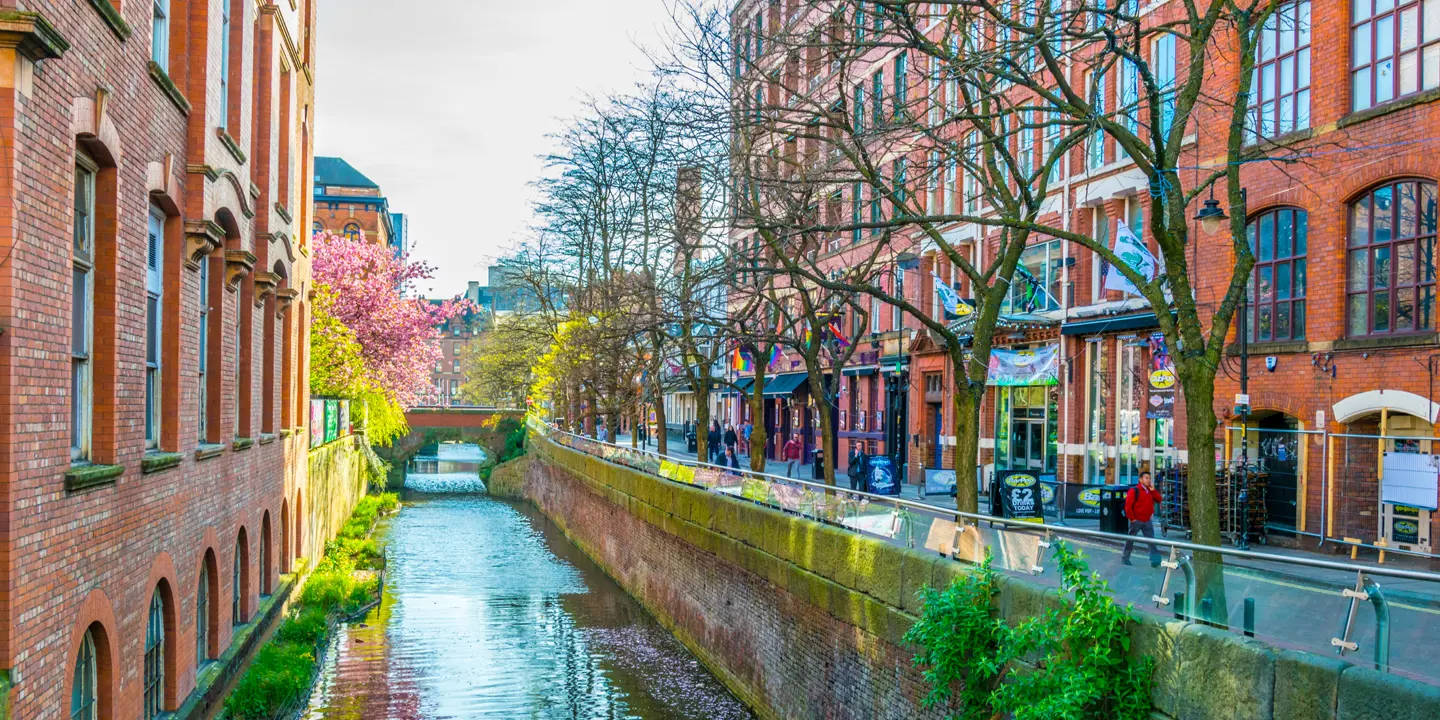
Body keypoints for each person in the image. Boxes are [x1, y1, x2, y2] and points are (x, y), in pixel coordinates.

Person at [1122, 471, 1163, 567]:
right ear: (1140, 480)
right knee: (1130, 539)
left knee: (1151, 540)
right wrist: (1132, 518)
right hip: (1136, 520)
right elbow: (1128, 506)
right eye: (1146, 478)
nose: (1148, 480)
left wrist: (1153, 490)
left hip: (1147, 520)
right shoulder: (1134, 490)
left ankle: (1155, 560)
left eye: (1149, 478)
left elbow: (1159, 499)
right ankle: (1125, 558)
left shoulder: (1149, 490)